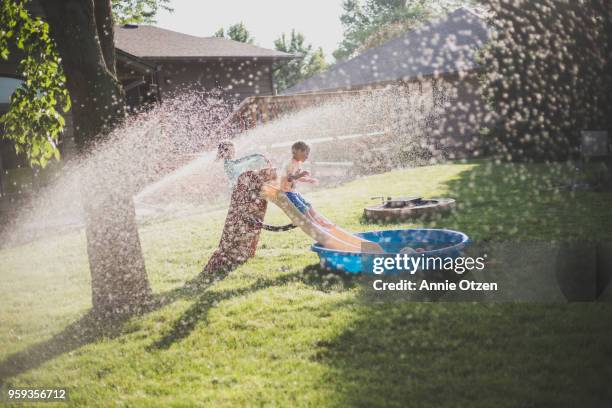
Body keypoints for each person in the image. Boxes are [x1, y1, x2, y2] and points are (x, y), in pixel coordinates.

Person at [280, 141, 333, 228]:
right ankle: (314, 225)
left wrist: (309, 180)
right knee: (303, 208)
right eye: (306, 152)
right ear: (297, 151)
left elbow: (297, 177)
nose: (307, 156)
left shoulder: (298, 163)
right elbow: (290, 178)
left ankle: (320, 222)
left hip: (293, 191)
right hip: (287, 193)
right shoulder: (290, 163)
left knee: (308, 205)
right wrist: (301, 174)